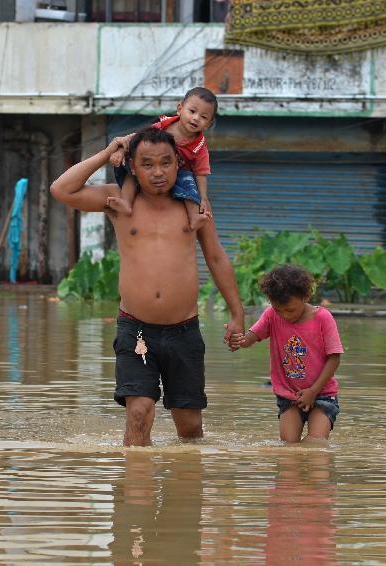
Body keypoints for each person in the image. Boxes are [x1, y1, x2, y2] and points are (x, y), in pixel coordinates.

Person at [50, 127, 245, 447]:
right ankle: (134, 491)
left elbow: (216, 258)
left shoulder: (193, 205)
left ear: (178, 165)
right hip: (136, 330)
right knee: (139, 414)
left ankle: (184, 488)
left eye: (166, 163)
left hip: (184, 331)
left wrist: (237, 314)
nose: (158, 172)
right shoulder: (117, 200)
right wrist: (107, 150)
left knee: (190, 428)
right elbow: (62, 189)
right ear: (133, 167)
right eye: (148, 164)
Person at [230, 265, 343, 444]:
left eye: (290, 310)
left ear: (305, 297)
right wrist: (238, 339)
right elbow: (250, 338)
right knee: (289, 445)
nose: (284, 316)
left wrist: (313, 391)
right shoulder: (271, 316)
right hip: (289, 396)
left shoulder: (323, 318)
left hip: (322, 394)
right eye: (278, 310)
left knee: (316, 442)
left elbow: (334, 358)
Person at [106, 87, 217, 231]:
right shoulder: (163, 125)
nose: (196, 118)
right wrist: (120, 150)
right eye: (192, 111)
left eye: (203, 117)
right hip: (152, 167)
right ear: (180, 109)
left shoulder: (200, 146)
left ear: (208, 123)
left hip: (180, 173)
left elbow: (201, 173)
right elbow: (137, 138)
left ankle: (194, 217)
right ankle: (126, 202)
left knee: (190, 185)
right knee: (131, 171)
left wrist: (203, 197)